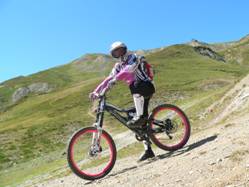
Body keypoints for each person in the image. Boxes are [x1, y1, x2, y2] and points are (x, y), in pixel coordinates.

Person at [89, 41, 155, 161]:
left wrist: (116, 79)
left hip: (146, 87)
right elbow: (108, 79)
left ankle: (141, 116)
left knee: (134, 85)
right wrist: (96, 91)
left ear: (124, 49)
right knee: (133, 119)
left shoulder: (133, 57)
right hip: (137, 92)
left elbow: (128, 70)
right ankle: (148, 150)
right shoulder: (118, 66)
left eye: (119, 50)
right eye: (115, 52)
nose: (118, 53)